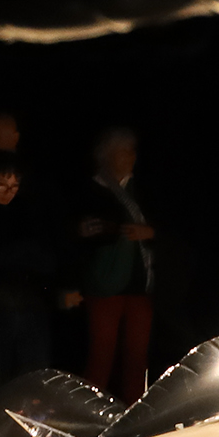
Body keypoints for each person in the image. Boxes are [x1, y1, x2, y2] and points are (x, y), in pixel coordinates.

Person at [0, 155, 61, 398]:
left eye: (14, 186)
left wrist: (19, 254)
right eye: (2, 185)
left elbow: (47, 261)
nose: (8, 192)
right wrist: (22, 252)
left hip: (28, 307)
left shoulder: (27, 215)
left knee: (31, 379)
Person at [76, 127, 156, 397]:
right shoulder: (90, 189)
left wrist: (149, 232)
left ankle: (133, 412)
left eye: (132, 151)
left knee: (137, 358)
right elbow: (78, 234)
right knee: (101, 357)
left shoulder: (142, 189)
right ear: (106, 155)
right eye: (123, 151)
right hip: (104, 286)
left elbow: (167, 229)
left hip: (140, 286)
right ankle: (92, 412)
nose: (130, 157)